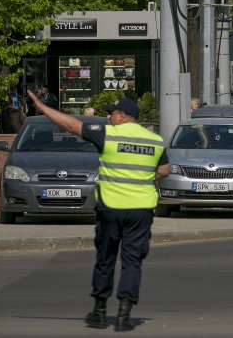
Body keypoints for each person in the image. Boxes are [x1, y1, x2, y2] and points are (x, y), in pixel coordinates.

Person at [26, 91, 169, 332]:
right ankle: (125, 315)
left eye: (111, 113)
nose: (109, 118)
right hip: (141, 210)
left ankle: (100, 312)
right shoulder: (154, 140)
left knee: (105, 259)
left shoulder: (109, 135)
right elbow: (165, 170)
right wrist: (144, 178)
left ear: (122, 116)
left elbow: (71, 125)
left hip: (110, 208)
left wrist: (42, 106)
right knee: (132, 262)